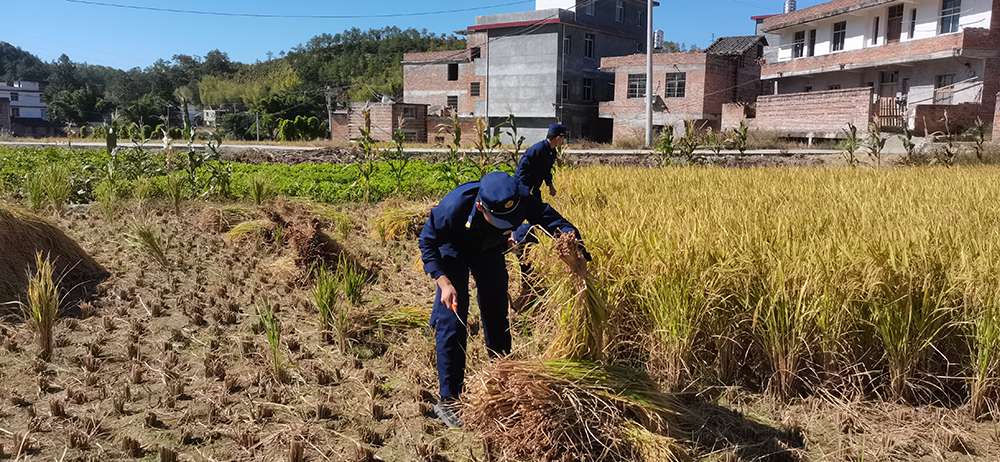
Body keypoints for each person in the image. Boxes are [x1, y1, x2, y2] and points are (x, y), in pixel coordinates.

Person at [419, 171, 587, 427]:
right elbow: (427, 242)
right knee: (453, 315)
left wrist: (574, 246)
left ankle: (503, 375)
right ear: (480, 207)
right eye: (501, 219)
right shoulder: (454, 206)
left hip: (490, 249)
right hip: (453, 247)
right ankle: (449, 398)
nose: (508, 222)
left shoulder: (519, 196)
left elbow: (552, 219)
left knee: (496, 308)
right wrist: (444, 282)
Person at [514, 123, 566, 200]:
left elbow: (546, 170)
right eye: (562, 138)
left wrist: (550, 186)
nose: (562, 141)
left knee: (538, 209)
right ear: (558, 138)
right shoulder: (537, 149)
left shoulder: (552, 152)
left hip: (534, 187)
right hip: (522, 186)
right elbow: (522, 169)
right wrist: (523, 190)